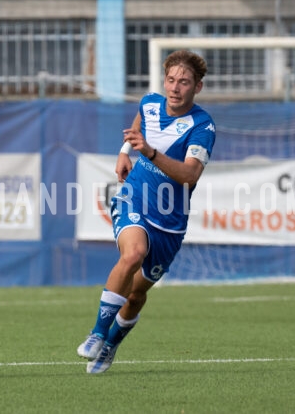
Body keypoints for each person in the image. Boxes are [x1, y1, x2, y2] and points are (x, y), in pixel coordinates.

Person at [76, 50, 216, 374]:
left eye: (184, 82)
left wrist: (148, 152)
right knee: (133, 254)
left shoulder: (202, 126)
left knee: (137, 294)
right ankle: (97, 333)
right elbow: (140, 119)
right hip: (135, 197)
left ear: (198, 87)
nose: (175, 88)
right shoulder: (150, 102)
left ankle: (111, 344)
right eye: (171, 80)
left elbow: (190, 175)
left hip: (170, 219)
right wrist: (125, 151)